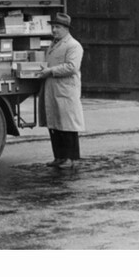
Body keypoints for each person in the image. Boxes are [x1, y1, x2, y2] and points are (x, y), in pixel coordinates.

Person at [37, 13, 85, 169]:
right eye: (53, 27)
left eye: (57, 27)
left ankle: (71, 159)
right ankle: (59, 157)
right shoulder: (54, 44)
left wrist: (50, 71)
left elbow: (72, 67)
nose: (54, 30)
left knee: (67, 126)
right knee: (55, 124)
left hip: (65, 91)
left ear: (65, 28)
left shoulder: (73, 45)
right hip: (53, 89)